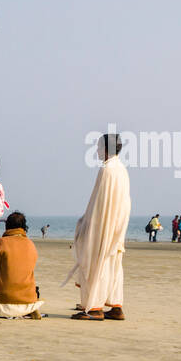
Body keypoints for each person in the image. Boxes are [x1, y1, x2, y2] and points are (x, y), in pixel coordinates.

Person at [65, 133, 131, 320]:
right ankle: (116, 306)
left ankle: (94, 308)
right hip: (117, 225)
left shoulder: (107, 170)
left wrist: (86, 225)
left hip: (103, 226)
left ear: (106, 148)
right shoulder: (121, 169)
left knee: (96, 262)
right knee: (113, 264)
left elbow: (98, 204)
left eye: (99, 146)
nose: (97, 150)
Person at [0, 211, 43, 319]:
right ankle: (30, 308)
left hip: (2, 302)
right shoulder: (31, 244)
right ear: (23, 227)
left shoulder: (0, 243)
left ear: (7, 226)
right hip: (27, 299)